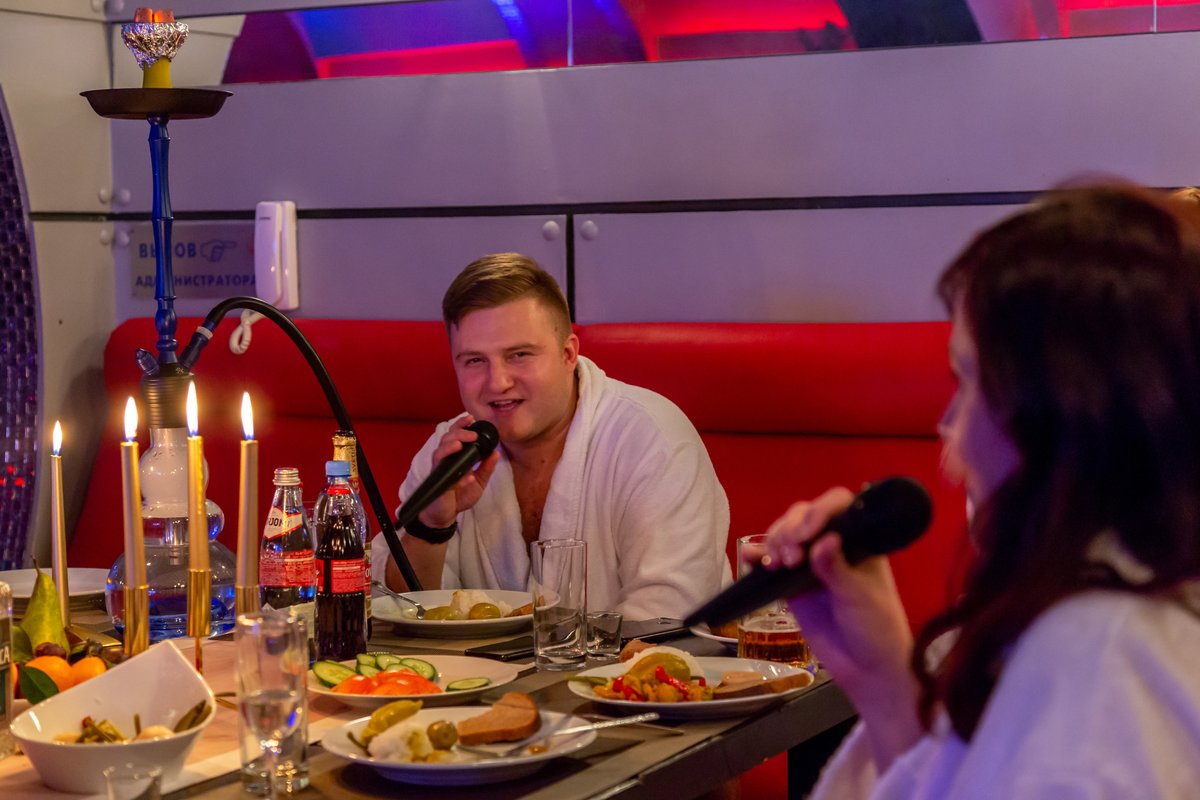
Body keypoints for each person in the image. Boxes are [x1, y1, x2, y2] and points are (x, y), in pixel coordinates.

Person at [762, 184, 1200, 798]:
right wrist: (884, 680)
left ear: (1056, 413)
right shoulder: (1131, 612)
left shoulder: (1099, 667)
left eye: (965, 381)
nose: (950, 433)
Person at [373, 253, 731, 619]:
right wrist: (431, 526)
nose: (498, 382)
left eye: (519, 355)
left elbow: (669, 615)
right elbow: (398, 611)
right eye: (475, 361)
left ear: (568, 354)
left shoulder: (652, 440)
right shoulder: (450, 452)